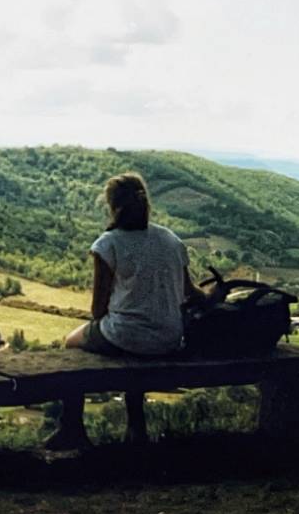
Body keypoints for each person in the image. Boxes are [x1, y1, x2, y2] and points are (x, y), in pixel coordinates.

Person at [45, 172, 202, 450]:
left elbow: (97, 310)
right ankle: (136, 426)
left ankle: (71, 427)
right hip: (168, 337)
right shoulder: (170, 239)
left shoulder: (108, 244)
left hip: (126, 336)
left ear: (112, 206)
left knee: (71, 344)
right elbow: (191, 292)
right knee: (135, 348)